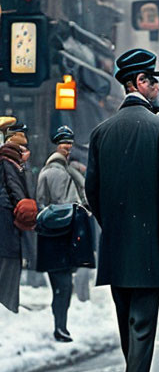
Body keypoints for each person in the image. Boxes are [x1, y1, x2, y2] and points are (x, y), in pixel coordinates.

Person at [86, 48, 159, 372]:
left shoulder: (100, 132)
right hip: (147, 246)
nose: (158, 86)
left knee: (128, 326)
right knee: (142, 329)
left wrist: (114, 228)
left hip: (116, 243)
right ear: (139, 83)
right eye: (153, 80)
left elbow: (93, 191)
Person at [36, 126, 90, 342]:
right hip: (66, 235)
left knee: (60, 286)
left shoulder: (45, 172)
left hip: (50, 236)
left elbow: (41, 201)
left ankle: (60, 326)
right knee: (64, 286)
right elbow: (84, 199)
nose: (67, 147)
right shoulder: (70, 172)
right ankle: (61, 327)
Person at [0, 121, 35, 313]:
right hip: (8, 227)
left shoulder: (11, 160)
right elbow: (17, 191)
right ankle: (7, 310)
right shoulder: (9, 161)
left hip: (8, 226)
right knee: (9, 272)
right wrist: (26, 210)